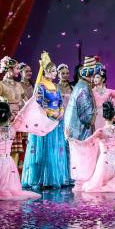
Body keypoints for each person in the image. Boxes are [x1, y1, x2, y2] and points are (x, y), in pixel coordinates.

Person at [0, 101, 54, 201]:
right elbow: (21, 117)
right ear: (9, 117)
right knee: (8, 188)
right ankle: (3, 191)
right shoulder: (12, 130)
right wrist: (31, 101)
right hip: (8, 162)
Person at [21, 52, 72, 189]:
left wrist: (61, 112)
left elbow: (60, 102)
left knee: (55, 149)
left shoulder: (55, 86)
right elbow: (39, 104)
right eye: (53, 71)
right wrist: (51, 114)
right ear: (46, 72)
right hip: (46, 121)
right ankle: (42, 179)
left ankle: (54, 178)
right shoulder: (41, 86)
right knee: (44, 149)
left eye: (55, 71)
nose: (55, 73)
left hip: (57, 121)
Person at [0, 56, 28, 171]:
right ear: (9, 69)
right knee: (5, 148)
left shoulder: (18, 85)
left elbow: (27, 102)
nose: (18, 71)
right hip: (5, 121)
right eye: (17, 68)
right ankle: (2, 173)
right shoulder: (0, 85)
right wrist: (5, 115)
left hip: (16, 120)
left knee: (16, 149)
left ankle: (12, 174)